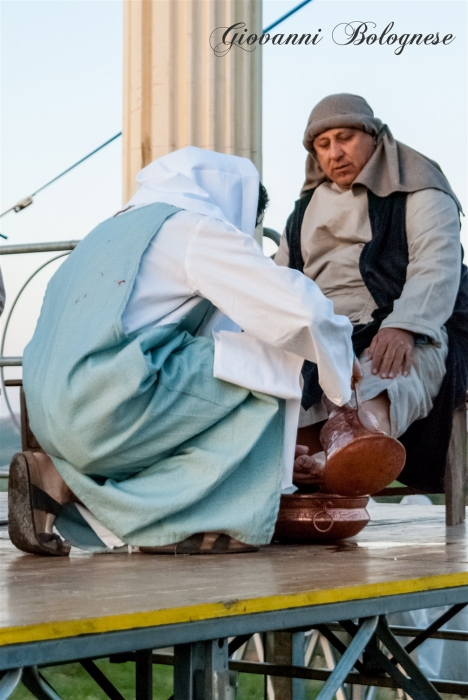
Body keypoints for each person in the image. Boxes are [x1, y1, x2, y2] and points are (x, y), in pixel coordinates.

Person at [10, 146, 355, 557]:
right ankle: (183, 519)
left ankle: (57, 480)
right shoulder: (194, 228)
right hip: (102, 406)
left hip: (52, 417)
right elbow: (298, 312)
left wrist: (275, 453)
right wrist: (342, 368)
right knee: (271, 362)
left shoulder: (102, 236)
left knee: (228, 362)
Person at [275, 93, 468, 492]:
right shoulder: (303, 212)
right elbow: (279, 282)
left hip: (403, 321)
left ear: (374, 137)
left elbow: (436, 266)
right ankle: (308, 465)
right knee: (265, 381)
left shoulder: (420, 189)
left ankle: (359, 438)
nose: (335, 153)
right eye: (323, 145)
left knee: (390, 368)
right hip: (319, 330)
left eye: (345, 137)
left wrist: (405, 326)